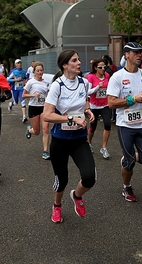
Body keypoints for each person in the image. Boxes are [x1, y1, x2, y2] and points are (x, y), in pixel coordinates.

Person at [42, 49, 96, 223]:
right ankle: (57, 206)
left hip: (79, 140)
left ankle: (77, 196)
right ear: (65, 65)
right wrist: (71, 118)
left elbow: (84, 100)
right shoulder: (57, 85)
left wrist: (87, 110)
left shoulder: (84, 83)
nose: (79, 63)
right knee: (62, 180)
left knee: (90, 177)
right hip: (60, 141)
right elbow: (47, 115)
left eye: (79, 60)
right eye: (74, 60)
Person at [107, 42, 142, 202]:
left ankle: (128, 156)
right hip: (125, 126)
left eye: (141, 52)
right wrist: (133, 99)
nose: (140, 55)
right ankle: (126, 187)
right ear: (126, 55)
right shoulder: (117, 77)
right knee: (129, 163)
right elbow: (111, 103)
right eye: (135, 52)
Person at [22, 61, 51, 160]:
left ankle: (46, 151)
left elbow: (48, 95)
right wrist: (33, 95)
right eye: (38, 70)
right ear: (34, 71)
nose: (40, 72)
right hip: (33, 107)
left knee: (46, 129)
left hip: (43, 108)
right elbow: (24, 95)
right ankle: (29, 130)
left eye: (41, 70)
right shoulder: (30, 82)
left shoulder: (46, 82)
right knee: (37, 131)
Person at [86, 58, 112, 159]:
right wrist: (97, 87)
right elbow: (87, 92)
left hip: (105, 104)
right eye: (100, 67)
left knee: (107, 124)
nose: (103, 69)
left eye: (104, 67)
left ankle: (104, 147)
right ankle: (89, 142)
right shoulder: (91, 77)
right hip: (94, 105)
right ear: (96, 68)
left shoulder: (107, 76)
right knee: (93, 126)